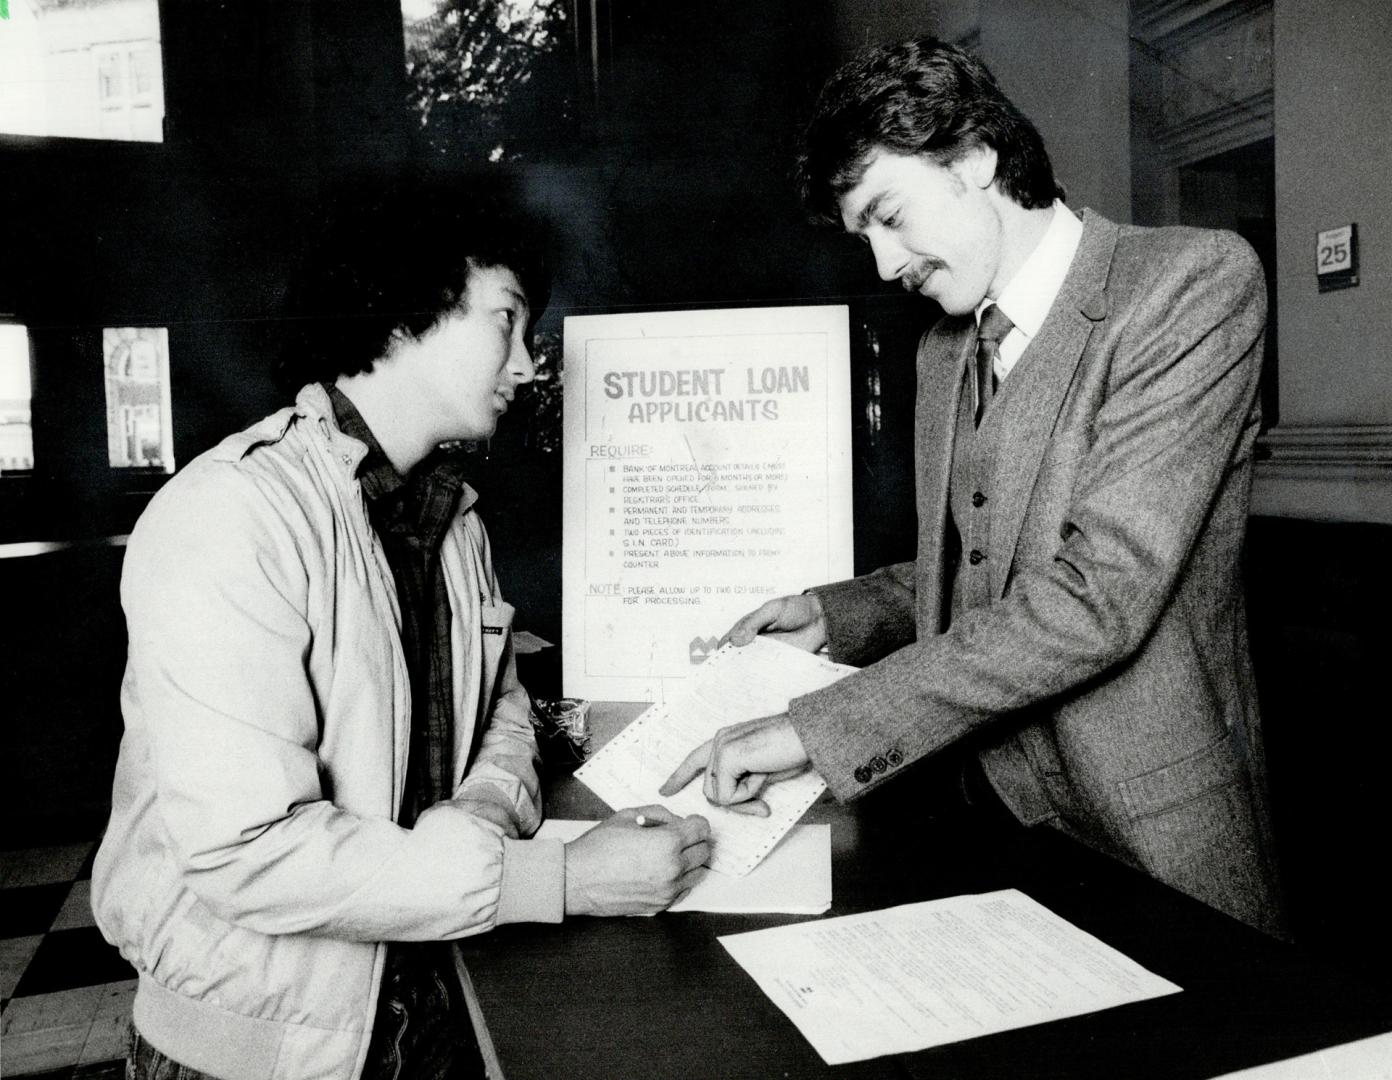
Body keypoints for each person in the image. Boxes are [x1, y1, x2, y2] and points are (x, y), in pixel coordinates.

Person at [663, 37, 1284, 937]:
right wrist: (837, 615)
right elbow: (982, 566)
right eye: (861, 237)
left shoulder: (1191, 284)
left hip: (1157, 836)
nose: (883, 265)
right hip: (991, 831)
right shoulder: (945, 348)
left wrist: (818, 728)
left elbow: (1094, 596)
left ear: (974, 156)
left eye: (888, 214)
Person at [93, 178, 710, 1080]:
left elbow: (499, 715)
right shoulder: (230, 514)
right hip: (261, 1056)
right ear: (401, 316)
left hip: (432, 1007)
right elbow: (247, 851)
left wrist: (482, 818)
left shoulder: (454, 520)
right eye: (507, 320)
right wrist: (562, 882)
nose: (529, 362)